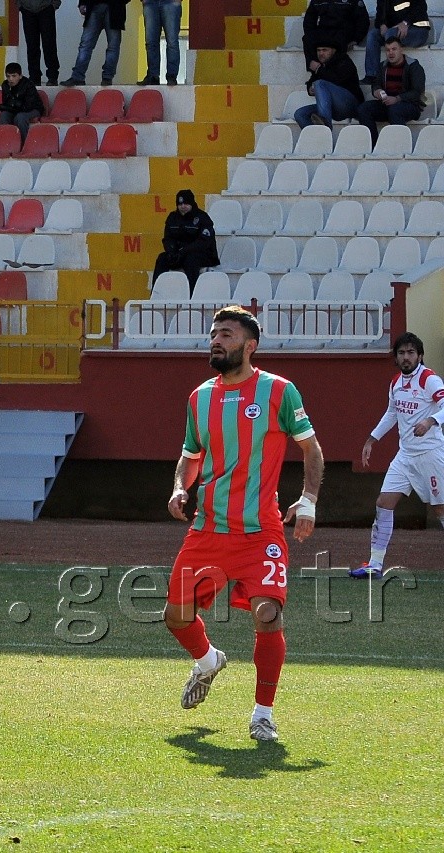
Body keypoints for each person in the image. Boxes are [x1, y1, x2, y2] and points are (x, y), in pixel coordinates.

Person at [165, 306, 324, 743]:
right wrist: (181, 487)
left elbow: (311, 450)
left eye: (227, 334)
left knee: (268, 615)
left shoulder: (278, 391)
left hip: (261, 533)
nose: (216, 340)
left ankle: (262, 714)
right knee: (176, 616)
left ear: (249, 346)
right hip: (208, 529)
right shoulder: (199, 397)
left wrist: (308, 499)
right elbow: (191, 455)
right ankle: (208, 660)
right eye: (214, 334)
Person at [352, 333, 444, 579]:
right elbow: (392, 413)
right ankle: (374, 564)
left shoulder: (429, 379)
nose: (406, 357)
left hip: (431, 454)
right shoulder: (395, 383)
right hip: (405, 456)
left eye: (411, 353)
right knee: (383, 503)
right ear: (396, 357)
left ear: (420, 356)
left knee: (440, 510)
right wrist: (372, 439)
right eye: (402, 353)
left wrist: (430, 420)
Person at [355, 36, 425, 145]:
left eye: (394, 49)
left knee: (395, 110)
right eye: (387, 50)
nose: (390, 53)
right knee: (363, 109)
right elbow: (376, 83)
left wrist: (397, 99)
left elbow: (417, 92)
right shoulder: (382, 66)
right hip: (387, 103)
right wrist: (377, 91)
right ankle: (373, 144)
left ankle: (401, 144)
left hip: (410, 105)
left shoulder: (414, 66)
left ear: (401, 49)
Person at [152, 189, 219, 294]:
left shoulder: (202, 218)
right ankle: (156, 293)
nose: (183, 206)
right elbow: (168, 238)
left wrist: (184, 251)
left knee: (191, 259)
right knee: (162, 258)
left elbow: (203, 242)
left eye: (186, 203)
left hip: (203, 255)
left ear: (191, 203)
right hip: (180, 254)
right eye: (180, 204)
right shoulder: (172, 218)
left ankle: (191, 295)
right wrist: (171, 251)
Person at [293, 40, 363, 129]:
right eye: (318, 50)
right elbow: (312, 80)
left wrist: (319, 69)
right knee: (300, 114)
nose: (321, 53)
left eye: (324, 50)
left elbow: (337, 80)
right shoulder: (323, 65)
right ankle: (318, 139)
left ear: (333, 50)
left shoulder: (344, 61)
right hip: (331, 107)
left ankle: (325, 127)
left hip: (350, 104)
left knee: (320, 83)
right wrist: (310, 88)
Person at [60, 0, 129, 87]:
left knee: (112, 46)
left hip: (114, 7)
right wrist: (82, 3)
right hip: (95, 5)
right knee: (86, 45)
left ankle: (106, 78)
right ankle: (78, 77)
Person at [363, 0, 430, 84]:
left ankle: (395, 76)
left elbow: (420, 7)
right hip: (393, 30)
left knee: (391, 34)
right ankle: (372, 76)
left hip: (418, 30)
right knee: (372, 35)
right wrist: (382, 24)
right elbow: (380, 14)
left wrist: (405, 23)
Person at [301, 0, 369, 71]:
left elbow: (363, 20)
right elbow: (309, 21)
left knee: (338, 41)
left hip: (344, 31)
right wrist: (312, 35)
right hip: (324, 30)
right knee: (307, 38)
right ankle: (315, 68)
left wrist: (356, 39)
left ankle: (336, 71)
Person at [0, 62, 45, 143]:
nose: (11, 79)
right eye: (8, 76)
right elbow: (6, 102)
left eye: (14, 76)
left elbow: (29, 105)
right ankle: (6, 142)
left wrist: (13, 104)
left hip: (33, 109)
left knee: (20, 117)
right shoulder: (5, 85)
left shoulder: (29, 85)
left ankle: (23, 143)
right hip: (15, 109)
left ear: (20, 76)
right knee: (3, 116)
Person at [138, 0, 181, 85]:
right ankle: (153, 76)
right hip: (150, 3)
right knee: (151, 42)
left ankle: (172, 76)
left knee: (172, 42)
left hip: (171, 2)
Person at [18, 0, 60, 85]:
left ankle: (52, 77)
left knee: (49, 44)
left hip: (46, 7)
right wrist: (20, 5)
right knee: (31, 45)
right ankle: (34, 77)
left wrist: (54, 4)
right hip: (27, 9)